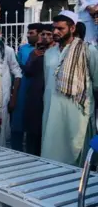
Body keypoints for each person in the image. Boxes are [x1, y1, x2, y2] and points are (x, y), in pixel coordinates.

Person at [42, 11, 98, 166]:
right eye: (54, 28)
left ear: (72, 28)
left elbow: (97, 83)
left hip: (77, 111)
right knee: (50, 153)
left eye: (60, 29)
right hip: (51, 109)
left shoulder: (88, 50)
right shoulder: (49, 53)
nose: (55, 32)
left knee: (75, 152)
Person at [23, 24, 54, 156]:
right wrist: (34, 56)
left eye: (49, 35)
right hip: (35, 95)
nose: (45, 37)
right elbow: (27, 71)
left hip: (51, 94)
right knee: (33, 130)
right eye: (43, 34)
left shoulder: (56, 52)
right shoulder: (34, 52)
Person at [11, 23, 42, 151]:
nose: (28, 35)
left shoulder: (47, 50)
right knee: (18, 123)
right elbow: (17, 68)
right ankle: (15, 152)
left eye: (31, 33)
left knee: (33, 125)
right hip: (22, 89)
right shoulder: (23, 49)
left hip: (37, 90)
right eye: (28, 33)